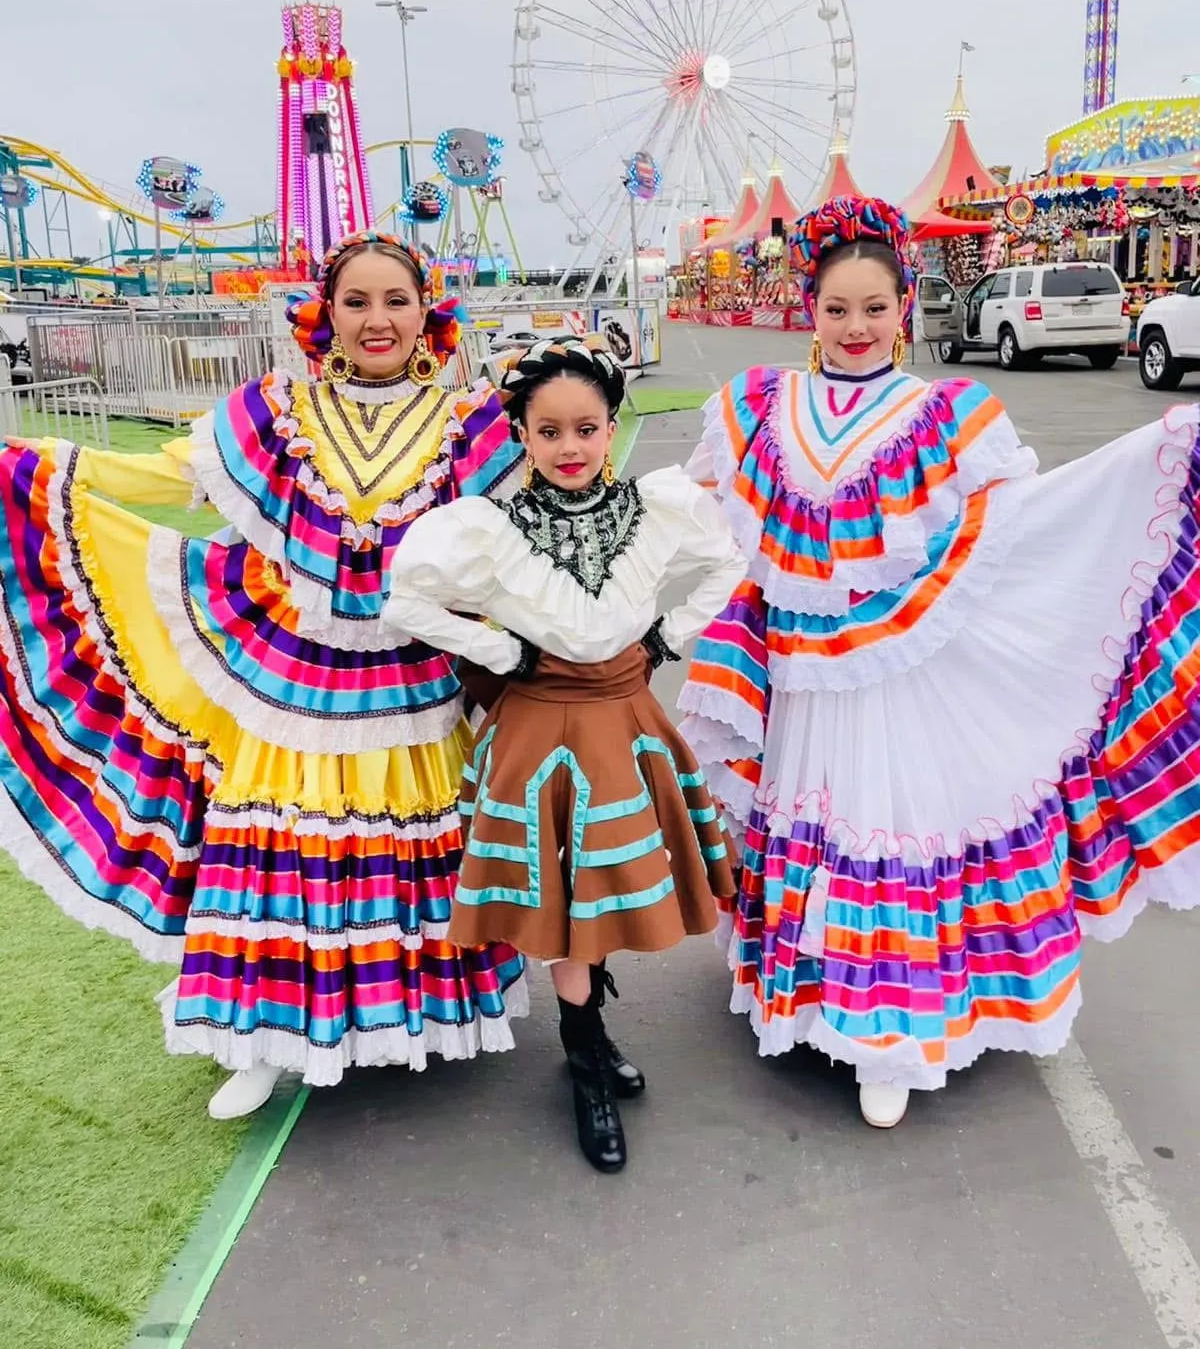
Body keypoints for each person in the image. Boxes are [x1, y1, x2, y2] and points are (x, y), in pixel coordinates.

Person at [679, 194, 1200, 1130]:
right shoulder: (760, 406)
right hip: (802, 678)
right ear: (811, 308)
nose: (855, 328)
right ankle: (810, 1002)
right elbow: (697, 513)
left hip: (908, 679)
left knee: (889, 822)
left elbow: (1024, 524)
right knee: (810, 819)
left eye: (875, 308)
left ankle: (891, 1035)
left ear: (905, 304)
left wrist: (1157, 454)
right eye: (837, 309)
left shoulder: (950, 414)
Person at [0, 230, 527, 1120]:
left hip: (413, 673)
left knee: (413, 848)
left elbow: (516, 540)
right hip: (295, 677)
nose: (376, 320)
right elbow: (169, 475)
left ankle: (410, 1020)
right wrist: (40, 465)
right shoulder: (274, 411)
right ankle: (260, 1040)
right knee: (279, 847)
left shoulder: (470, 422)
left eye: (395, 301)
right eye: (355, 301)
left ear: (427, 312)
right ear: (323, 314)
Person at [384, 336, 745, 1172]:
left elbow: (728, 562)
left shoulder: (657, 509)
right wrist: (504, 656)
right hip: (538, 730)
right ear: (522, 436)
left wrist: (664, 641)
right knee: (561, 905)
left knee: (606, 893)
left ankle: (591, 1034)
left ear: (613, 426)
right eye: (549, 432)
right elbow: (406, 597)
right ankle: (584, 1064)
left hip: (623, 718)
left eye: (587, 427)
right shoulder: (487, 528)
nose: (571, 447)